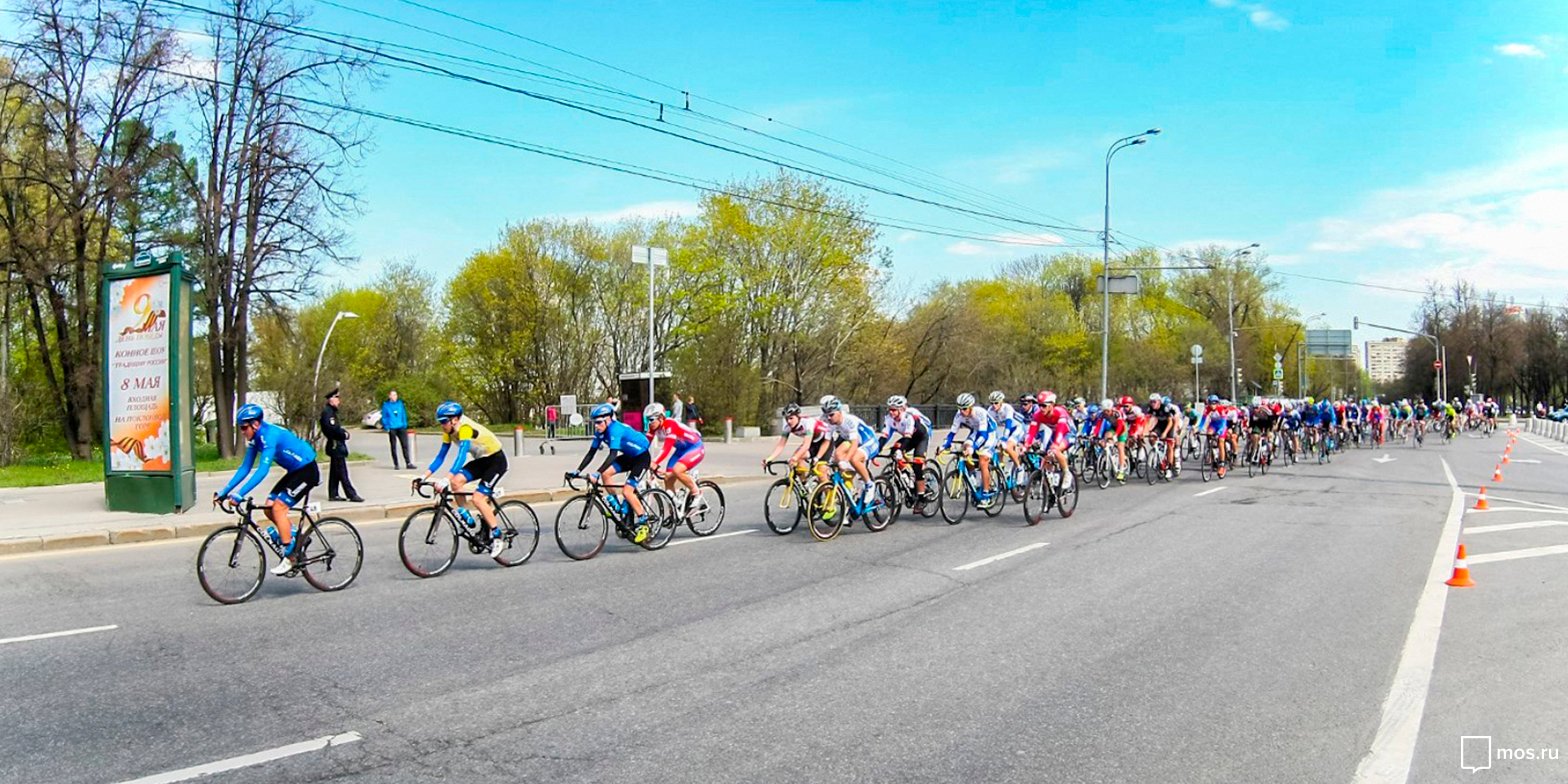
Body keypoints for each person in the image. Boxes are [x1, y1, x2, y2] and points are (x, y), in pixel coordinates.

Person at [216, 404, 320, 576]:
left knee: (279, 508)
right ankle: (295, 536)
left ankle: (291, 557)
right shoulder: (255, 439)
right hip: (295, 471)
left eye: (243, 427)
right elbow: (245, 468)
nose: (242, 432)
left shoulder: (269, 436)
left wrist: (240, 494)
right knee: (269, 507)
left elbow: (263, 471)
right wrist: (225, 491)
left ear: (255, 424)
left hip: (307, 470)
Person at [420, 401, 508, 557]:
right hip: (482, 460)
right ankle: (467, 517)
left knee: (478, 498)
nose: (442, 425)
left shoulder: (465, 429)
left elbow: (461, 457)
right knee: (456, 482)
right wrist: (423, 476)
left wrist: (446, 478)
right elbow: (441, 456)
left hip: (496, 461)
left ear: (454, 419)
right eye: (440, 422)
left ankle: (497, 535)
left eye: (444, 422)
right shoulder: (448, 431)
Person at [571, 402, 653, 544]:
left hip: (641, 458)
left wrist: (596, 472)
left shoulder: (615, 430)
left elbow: (613, 455)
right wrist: (577, 470)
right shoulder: (600, 432)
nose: (596, 426)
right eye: (594, 423)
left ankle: (644, 523)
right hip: (628, 456)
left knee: (628, 492)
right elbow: (591, 453)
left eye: (598, 422)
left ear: (608, 420)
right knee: (606, 474)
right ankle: (618, 507)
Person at [646, 402, 706, 515]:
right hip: (681, 451)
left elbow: (666, 448)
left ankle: (697, 493)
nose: (649, 422)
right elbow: (644, 444)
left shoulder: (670, 424)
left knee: (677, 470)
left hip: (695, 447)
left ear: (661, 417)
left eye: (652, 419)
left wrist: (655, 462)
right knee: (667, 479)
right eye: (647, 419)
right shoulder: (653, 427)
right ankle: (675, 511)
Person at [319, 388, 363, 502]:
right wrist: (344, 434)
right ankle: (351, 494)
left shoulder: (331, 412)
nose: (339, 401)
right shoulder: (328, 413)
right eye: (337, 398)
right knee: (342, 471)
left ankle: (333, 494)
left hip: (337, 444)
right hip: (335, 445)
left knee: (335, 471)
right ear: (331, 400)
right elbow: (332, 429)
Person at [381, 390, 413, 470]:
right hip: (392, 428)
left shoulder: (400, 404)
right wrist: (387, 427)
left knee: (405, 445)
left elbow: (403, 414)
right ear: (389, 396)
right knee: (393, 446)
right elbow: (384, 417)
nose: (395, 397)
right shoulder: (386, 405)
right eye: (393, 395)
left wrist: (405, 424)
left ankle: (408, 463)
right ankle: (396, 464)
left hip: (401, 427)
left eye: (395, 395)